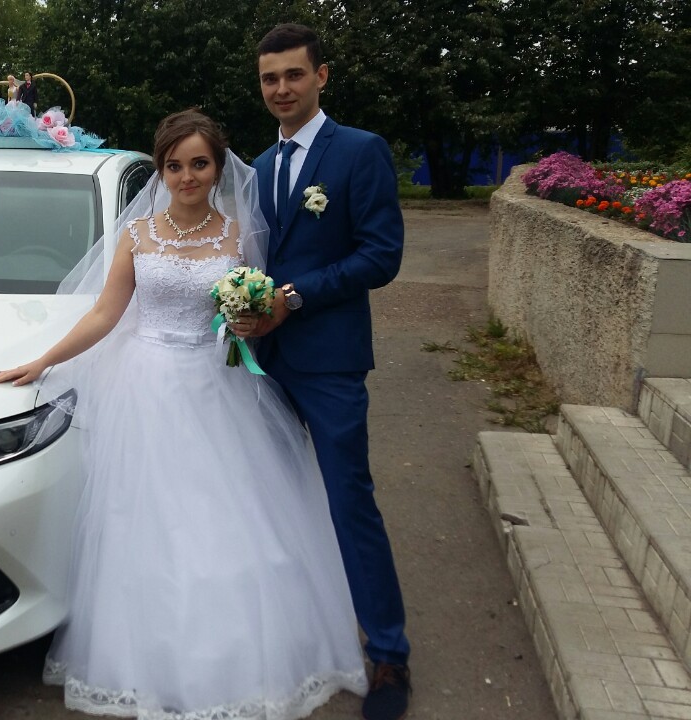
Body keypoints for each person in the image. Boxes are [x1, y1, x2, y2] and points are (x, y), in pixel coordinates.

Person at [0, 109, 367, 719]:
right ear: (161, 170)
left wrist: (249, 317)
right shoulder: (137, 234)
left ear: (217, 168)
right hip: (146, 389)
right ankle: (148, 656)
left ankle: (236, 655)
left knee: (227, 518)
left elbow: (258, 309)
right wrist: (42, 361)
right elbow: (104, 314)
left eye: (199, 164)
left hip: (219, 387)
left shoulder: (239, 236)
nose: (187, 176)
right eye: (174, 165)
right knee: (143, 522)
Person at [234, 23, 411, 720]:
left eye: (293, 75)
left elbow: (381, 255)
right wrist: (243, 303)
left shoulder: (360, 151)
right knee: (271, 501)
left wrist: (295, 296)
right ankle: (297, 633)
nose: (281, 88)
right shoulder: (257, 166)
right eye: (269, 78)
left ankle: (388, 653)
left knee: (348, 501)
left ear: (321, 76)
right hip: (265, 363)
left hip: (330, 362)